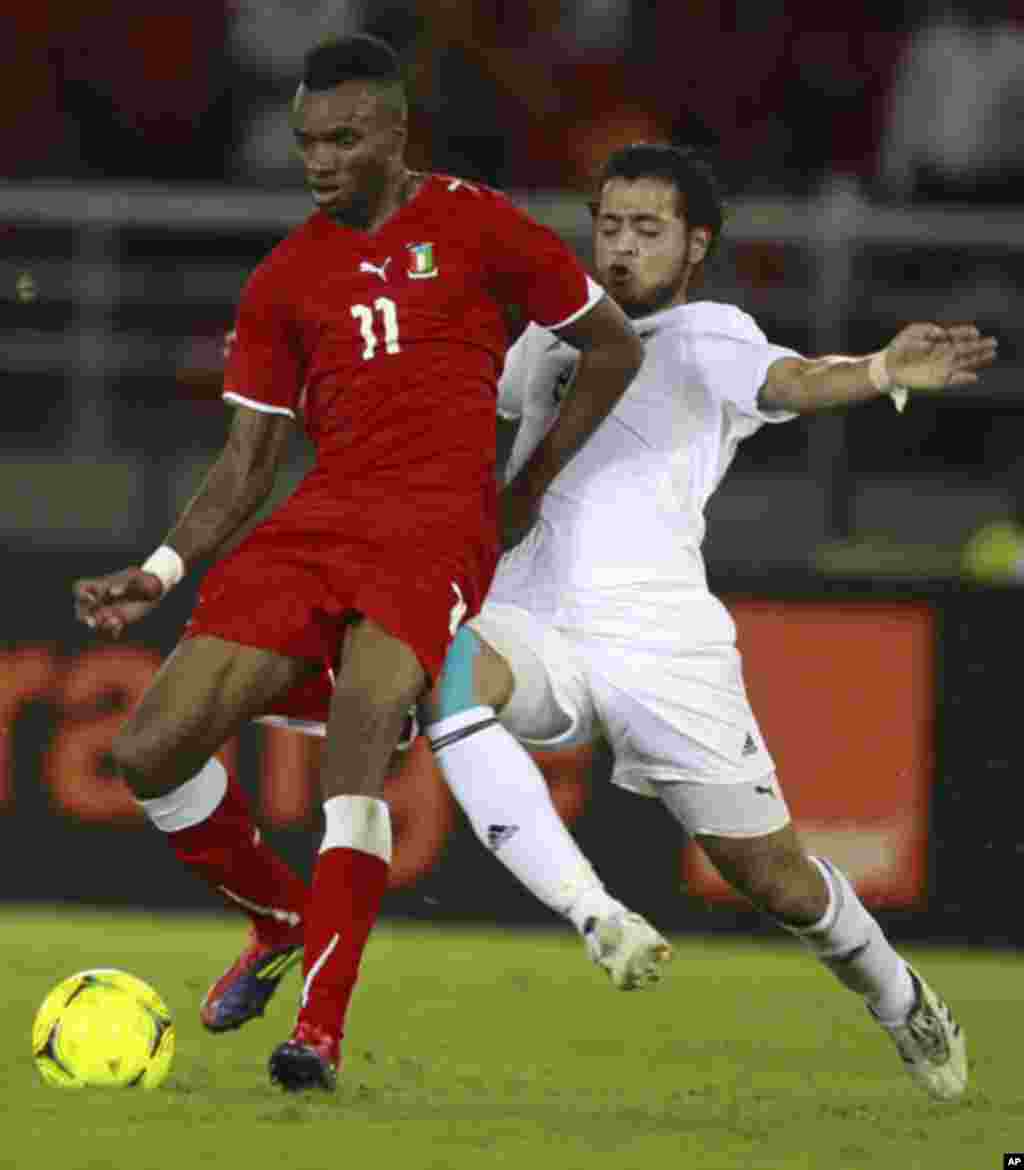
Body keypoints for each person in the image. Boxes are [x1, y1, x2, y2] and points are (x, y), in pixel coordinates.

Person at [72, 34, 644, 1093]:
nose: (319, 160)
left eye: (342, 138)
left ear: (394, 132)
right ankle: (276, 918)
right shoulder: (287, 276)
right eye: (305, 142)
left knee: (357, 744)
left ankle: (316, 1035)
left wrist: (528, 487)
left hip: (436, 527)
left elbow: (611, 343)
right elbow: (248, 463)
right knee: (149, 749)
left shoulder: (481, 226)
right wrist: (158, 569)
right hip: (319, 518)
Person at [416, 143, 997, 1102]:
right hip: (532, 618)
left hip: (662, 648)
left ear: (695, 245)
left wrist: (883, 367)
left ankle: (901, 997)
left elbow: (797, 381)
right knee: (443, 671)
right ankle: (595, 913)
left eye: (648, 231)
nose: (621, 249)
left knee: (776, 880)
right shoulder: (550, 336)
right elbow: (464, 408)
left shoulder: (712, 334)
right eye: (609, 226)